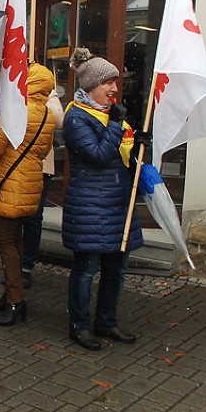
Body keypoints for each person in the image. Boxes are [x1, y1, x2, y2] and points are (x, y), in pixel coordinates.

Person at [64, 48, 143, 351]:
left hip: (117, 203)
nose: (114, 89)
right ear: (90, 86)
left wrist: (138, 144)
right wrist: (114, 126)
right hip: (91, 206)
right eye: (108, 83)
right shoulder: (76, 118)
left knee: (116, 268)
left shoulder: (110, 117)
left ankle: (106, 322)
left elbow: (120, 158)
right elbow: (98, 156)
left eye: (115, 82)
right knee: (86, 269)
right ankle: (79, 325)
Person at [0, 63, 56, 327]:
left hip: (10, 184)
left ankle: (15, 300)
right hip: (30, 184)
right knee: (16, 239)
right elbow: (44, 151)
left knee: (3, 241)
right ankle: (12, 294)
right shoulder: (47, 114)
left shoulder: (16, 110)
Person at [21, 88, 65, 288]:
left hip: (40, 166)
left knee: (33, 218)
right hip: (15, 165)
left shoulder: (49, 93)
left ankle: (26, 266)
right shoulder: (12, 86)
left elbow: (59, 119)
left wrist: (36, 102)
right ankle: (13, 266)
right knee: (12, 218)